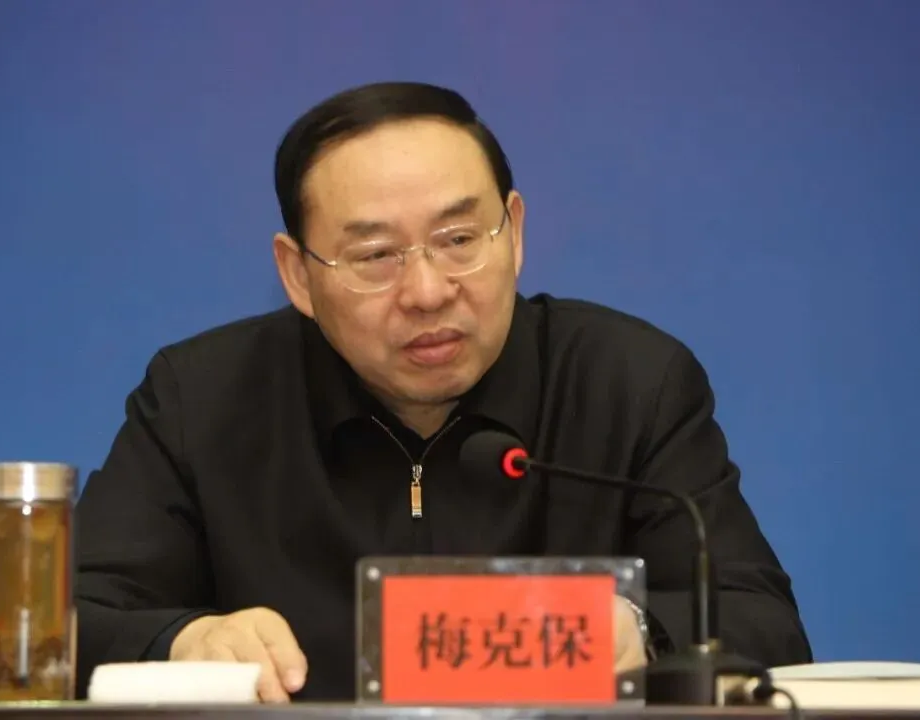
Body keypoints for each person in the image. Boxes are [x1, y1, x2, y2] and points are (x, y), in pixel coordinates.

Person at [75, 81, 812, 703]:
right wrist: (185, 639)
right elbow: (67, 624)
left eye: (459, 240)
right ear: (297, 275)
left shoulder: (628, 382)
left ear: (513, 232)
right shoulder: (203, 400)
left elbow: (764, 624)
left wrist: (641, 631)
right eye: (375, 255)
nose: (427, 292)